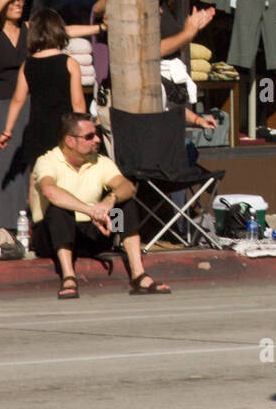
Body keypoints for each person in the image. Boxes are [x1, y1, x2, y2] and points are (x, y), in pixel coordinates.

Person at [31, 112, 171, 298]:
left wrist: (109, 201)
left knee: (125, 204)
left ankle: (138, 275)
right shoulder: (47, 161)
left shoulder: (101, 162)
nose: (97, 139)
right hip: (52, 236)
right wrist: (91, 211)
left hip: (94, 233)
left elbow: (127, 187)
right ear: (70, 141)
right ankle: (68, 276)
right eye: (89, 136)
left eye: (96, 134)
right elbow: (50, 191)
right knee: (58, 210)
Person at [0, 10, 89, 172]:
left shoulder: (28, 65)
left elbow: (18, 100)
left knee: (38, 178)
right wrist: (84, 132)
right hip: (65, 131)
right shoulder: (70, 63)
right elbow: (78, 103)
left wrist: (7, 130)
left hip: (37, 131)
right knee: (66, 175)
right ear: (59, 32)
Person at [0, 0, 31, 230]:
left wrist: (99, 28)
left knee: (24, 168)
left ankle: (23, 225)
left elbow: (61, 30)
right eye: (11, 0)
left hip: (25, 105)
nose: (17, 3)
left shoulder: (28, 29)